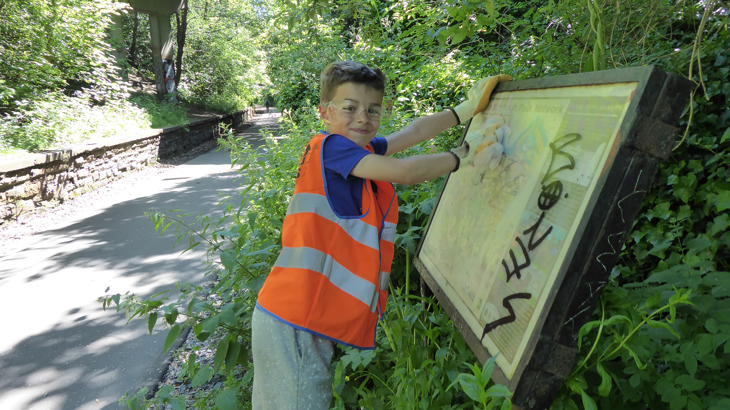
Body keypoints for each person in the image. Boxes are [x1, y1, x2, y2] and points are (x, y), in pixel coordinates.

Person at [251, 60, 511, 410]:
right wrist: (464, 155)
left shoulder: (354, 151)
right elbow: (402, 172)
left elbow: (413, 133)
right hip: (294, 319)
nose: (363, 118)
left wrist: (466, 108)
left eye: (373, 109)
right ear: (324, 113)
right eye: (350, 108)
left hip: (295, 314)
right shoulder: (332, 147)